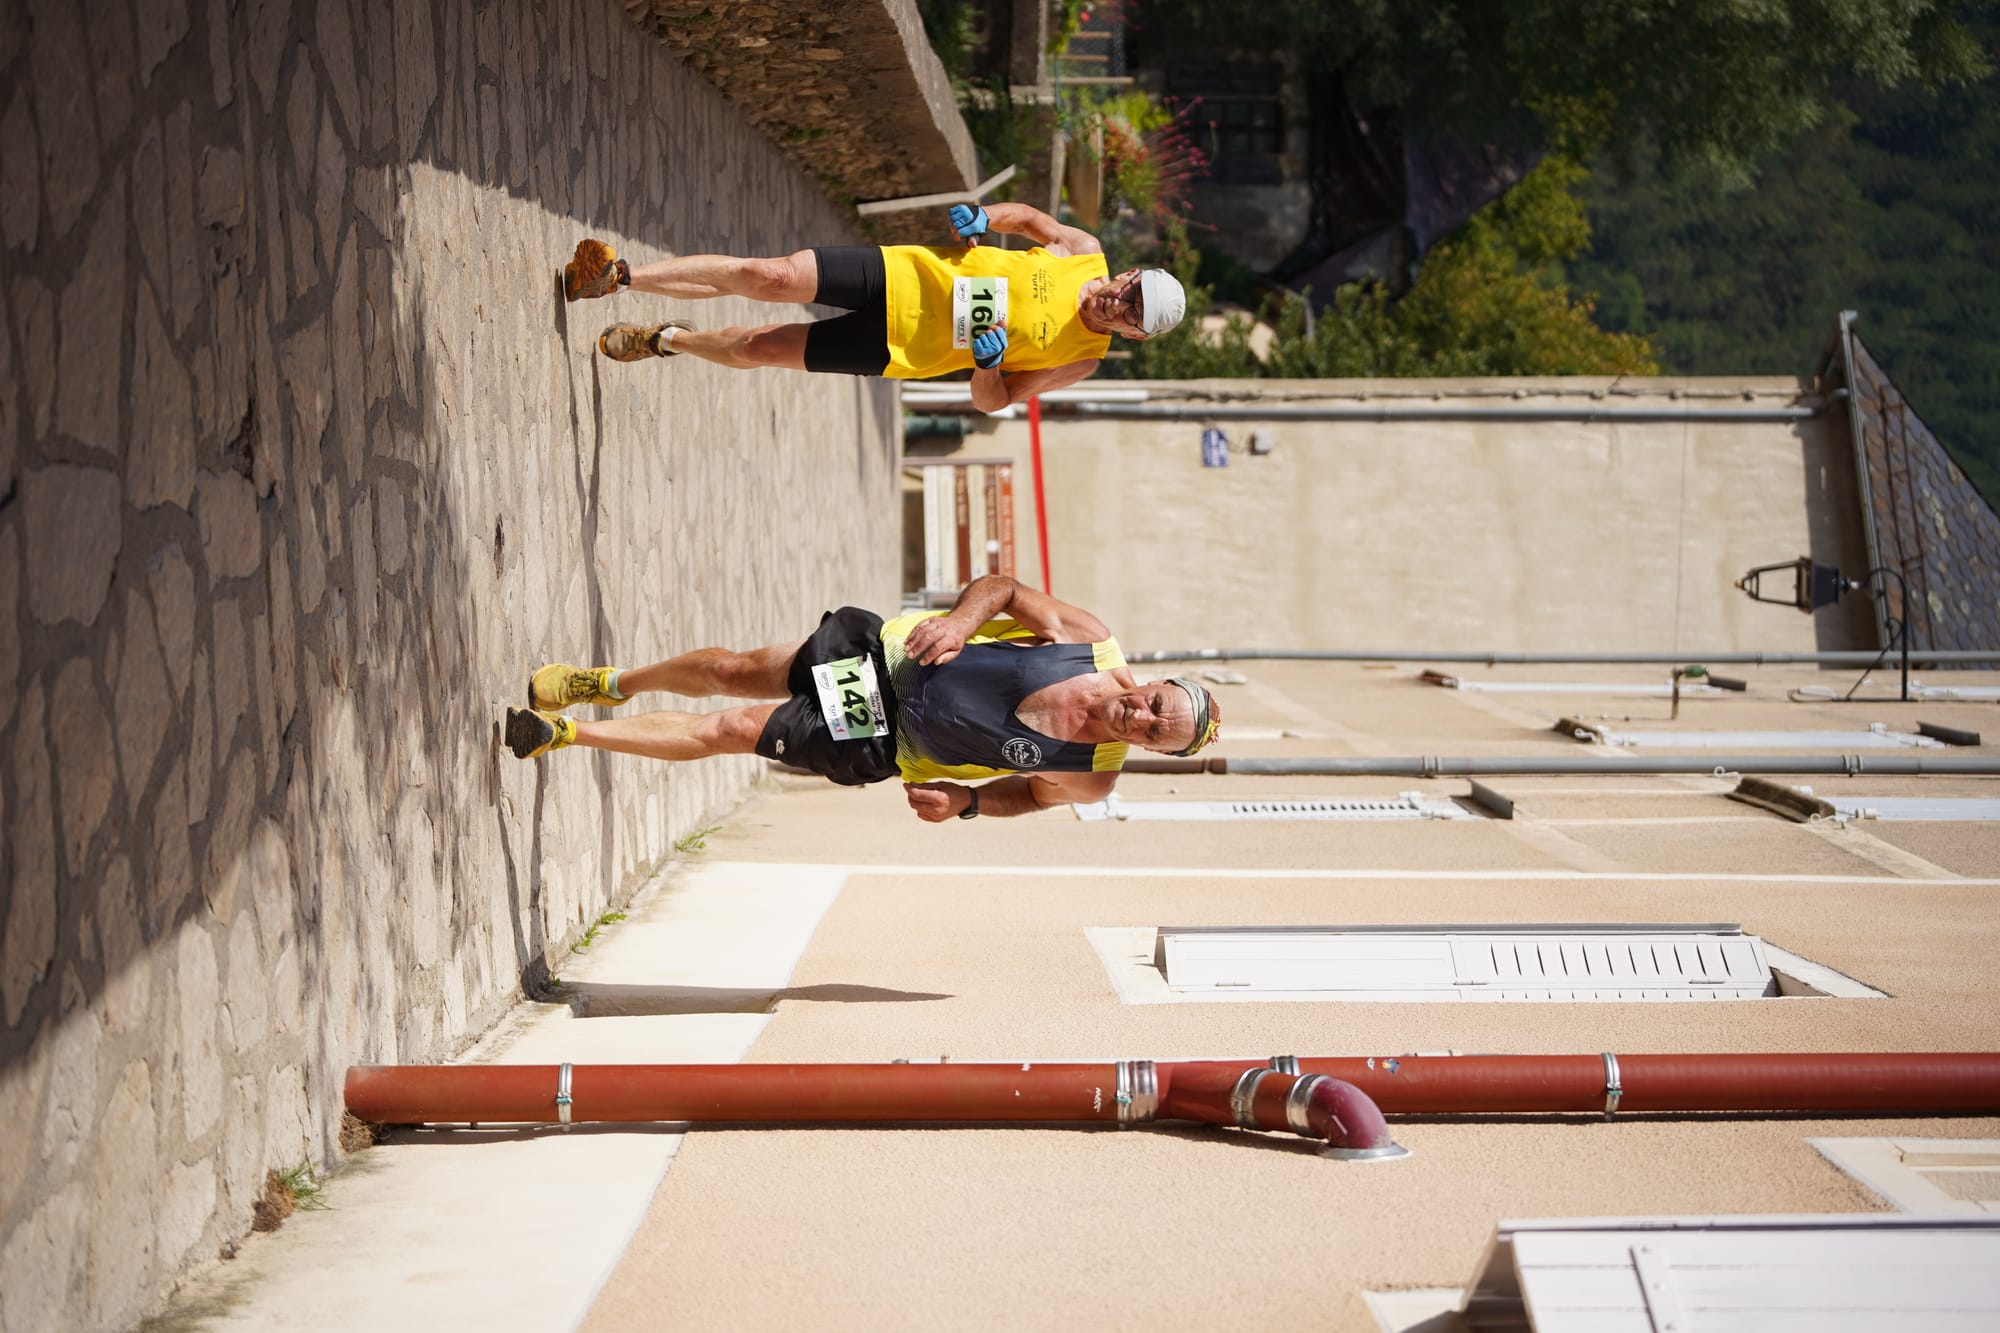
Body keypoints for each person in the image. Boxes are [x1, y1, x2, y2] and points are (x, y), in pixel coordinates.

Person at [503, 575, 1221, 822]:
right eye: (1157, 705)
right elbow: (1003, 587)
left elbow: (1031, 796)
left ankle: (565, 735)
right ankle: (610, 684)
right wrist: (960, 622)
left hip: (881, 737)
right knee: (733, 669)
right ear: (1158, 683)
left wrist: (968, 803)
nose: (1143, 718)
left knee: (730, 729)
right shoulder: (1090, 643)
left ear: (1156, 752)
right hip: (885, 660)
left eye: (1155, 733)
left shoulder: (1091, 777)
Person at [560, 203, 1188, 413]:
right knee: (771, 274)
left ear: (1134, 335)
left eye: (1133, 313)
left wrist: (988, 365)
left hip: (898, 349)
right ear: (1130, 272)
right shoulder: (1083, 250)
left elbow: (992, 401)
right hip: (902, 272)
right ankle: (617, 277)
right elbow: (1025, 219)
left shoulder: (1082, 358)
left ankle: (667, 339)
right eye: (1133, 289)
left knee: (759, 346)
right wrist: (982, 217)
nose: (1121, 301)